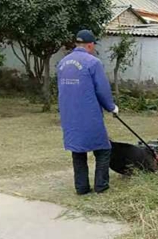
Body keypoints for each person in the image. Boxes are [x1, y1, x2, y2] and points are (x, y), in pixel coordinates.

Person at [57, 29, 119, 195]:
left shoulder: (62, 63)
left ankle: (82, 188)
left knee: (78, 151)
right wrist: (112, 107)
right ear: (90, 45)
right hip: (89, 115)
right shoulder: (93, 63)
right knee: (103, 149)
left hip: (69, 116)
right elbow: (102, 90)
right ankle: (101, 186)